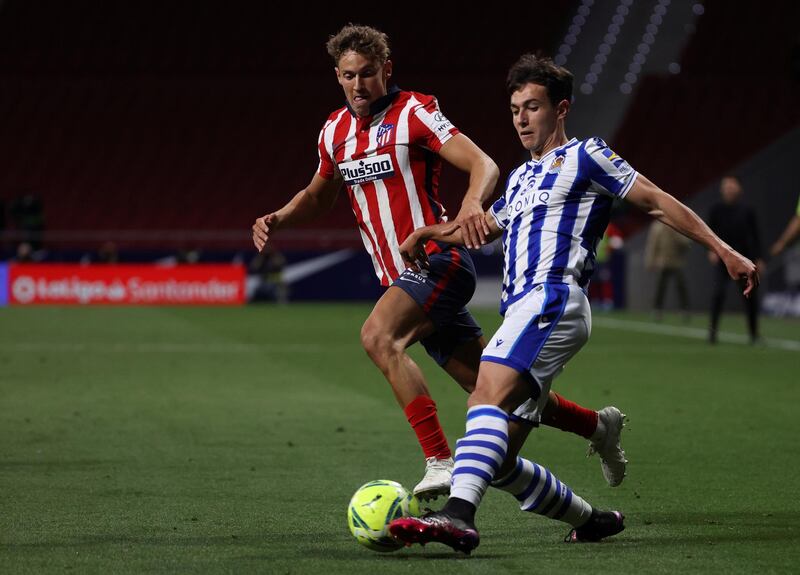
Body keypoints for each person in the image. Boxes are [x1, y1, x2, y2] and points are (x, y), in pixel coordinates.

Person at [389, 54, 758, 552]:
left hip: (553, 296)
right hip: (525, 308)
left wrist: (723, 249)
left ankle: (457, 517)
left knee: (484, 396)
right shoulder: (520, 179)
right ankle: (593, 520)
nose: (521, 117)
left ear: (560, 109)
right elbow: (481, 227)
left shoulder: (587, 156)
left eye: (533, 107)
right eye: (515, 108)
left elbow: (654, 200)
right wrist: (431, 233)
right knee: (495, 459)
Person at [251, 26, 627, 500]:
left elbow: (484, 164)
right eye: (349, 76)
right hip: (399, 278)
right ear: (337, 76)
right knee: (500, 390)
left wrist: (472, 205)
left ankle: (439, 460)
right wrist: (279, 218)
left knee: (377, 336)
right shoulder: (334, 132)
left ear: (386, 70)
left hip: (437, 262)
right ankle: (597, 427)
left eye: (368, 73)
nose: (359, 85)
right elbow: (317, 195)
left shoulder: (414, 112)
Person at [707, 176, 764, 344]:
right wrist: (711, 251)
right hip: (723, 260)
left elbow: (755, 235)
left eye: (732, 186)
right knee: (718, 294)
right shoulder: (715, 210)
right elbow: (707, 233)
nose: (729, 189)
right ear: (721, 189)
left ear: (739, 188)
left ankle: (754, 335)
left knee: (750, 296)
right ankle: (712, 333)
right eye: (726, 186)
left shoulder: (747, 210)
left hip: (745, 260)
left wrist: (759, 258)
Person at [645, 219, 691, 320]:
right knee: (660, 288)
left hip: (676, 262)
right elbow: (652, 245)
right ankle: (657, 310)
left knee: (681, 287)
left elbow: (686, 243)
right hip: (662, 262)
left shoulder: (676, 225)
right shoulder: (657, 226)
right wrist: (650, 261)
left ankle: (685, 310)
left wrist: (674, 233)